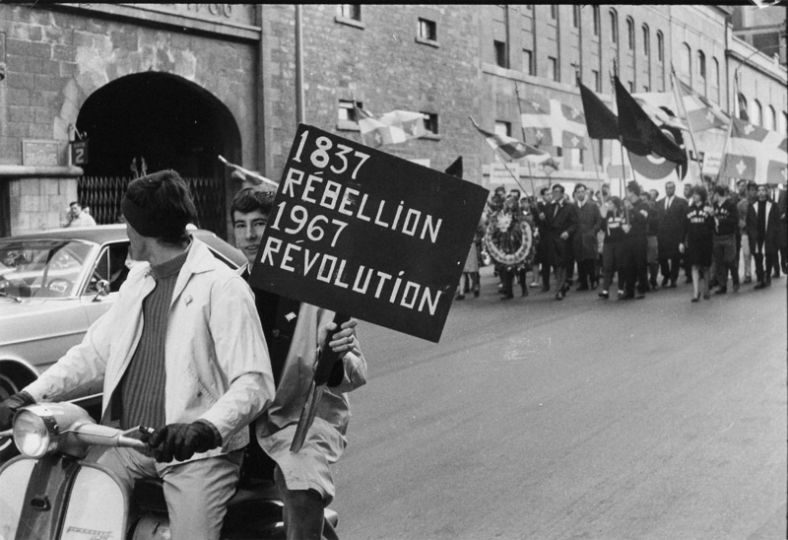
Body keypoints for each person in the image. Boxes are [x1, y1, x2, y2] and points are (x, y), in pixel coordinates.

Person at [0, 170, 275, 540]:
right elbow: (94, 353)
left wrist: (205, 428)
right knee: (73, 521)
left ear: (146, 228)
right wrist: (29, 395)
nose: (125, 229)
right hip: (129, 444)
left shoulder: (221, 286)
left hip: (197, 459)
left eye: (128, 221)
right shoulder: (138, 279)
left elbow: (255, 382)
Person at [230, 188, 367, 540]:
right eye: (240, 225)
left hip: (299, 420)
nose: (249, 236)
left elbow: (355, 371)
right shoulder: (227, 288)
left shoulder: (313, 287)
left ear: (279, 227)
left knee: (301, 482)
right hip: (241, 422)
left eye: (260, 223)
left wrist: (334, 356)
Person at [542, 184, 577, 300]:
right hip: (552, 239)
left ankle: (559, 290)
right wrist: (541, 218)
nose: (555, 194)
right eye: (554, 192)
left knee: (562, 265)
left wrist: (568, 232)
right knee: (556, 265)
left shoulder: (569, 206)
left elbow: (574, 223)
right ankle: (562, 285)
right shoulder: (548, 206)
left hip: (563, 239)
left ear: (562, 193)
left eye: (557, 192)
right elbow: (545, 224)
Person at [746, 184, 781, 289]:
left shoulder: (773, 206)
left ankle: (768, 276)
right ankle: (760, 279)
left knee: (769, 257)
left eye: (763, 190)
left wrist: (774, 233)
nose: (761, 192)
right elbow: (749, 222)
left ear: (767, 192)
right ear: (757, 192)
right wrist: (752, 234)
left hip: (769, 235)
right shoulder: (752, 206)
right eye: (759, 190)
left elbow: (776, 222)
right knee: (758, 257)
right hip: (757, 236)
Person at [683, 185, 715, 302]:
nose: (694, 196)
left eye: (697, 194)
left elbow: (712, 226)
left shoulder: (707, 209)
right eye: (694, 194)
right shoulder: (689, 209)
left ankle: (706, 290)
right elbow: (684, 227)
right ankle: (696, 292)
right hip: (693, 242)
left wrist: (711, 215)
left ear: (702, 195)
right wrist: (682, 242)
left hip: (706, 242)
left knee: (706, 267)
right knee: (694, 266)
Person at [656, 181, 688, 288]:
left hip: (675, 234)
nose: (669, 190)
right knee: (662, 257)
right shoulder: (659, 202)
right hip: (662, 235)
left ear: (674, 189)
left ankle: (674, 278)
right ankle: (666, 275)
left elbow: (684, 219)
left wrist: (682, 236)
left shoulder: (682, 202)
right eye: (667, 188)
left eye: (671, 188)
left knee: (675, 257)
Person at [620, 181, 649, 300]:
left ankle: (642, 288)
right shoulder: (625, 205)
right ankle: (629, 290)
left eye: (628, 191)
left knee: (640, 264)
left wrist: (632, 209)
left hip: (639, 238)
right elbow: (622, 219)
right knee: (628, 265)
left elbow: (643, 219)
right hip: (628, 238)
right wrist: (623, 225)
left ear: (632, 192)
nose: (626, 194)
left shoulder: (643, 205)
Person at [572, 183, 601, 291]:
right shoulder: (573, 206)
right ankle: (583, 283)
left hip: (590, 236)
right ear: (575, 194)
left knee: (591, 260)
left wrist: (593, 231)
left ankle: (593, 280)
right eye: (578, 192)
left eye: (582, 191)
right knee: (580, 261)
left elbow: (598, 221)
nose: (580, 194)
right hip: (578, 237)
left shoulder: (592, 205)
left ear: (586, 192)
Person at [711, 185, 739, 294]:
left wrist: (720, 221)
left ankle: (735, 280)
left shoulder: (731, 205)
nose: (713, 197)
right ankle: (722, 285)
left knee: (730, 260)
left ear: (717, 194)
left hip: (728, 236)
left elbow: (734, 220)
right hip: (717, 237)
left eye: (714, 194)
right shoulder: (713, 206)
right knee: (719, 262)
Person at [599, 196, 626, 299]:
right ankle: (605, 290)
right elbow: (603, 228)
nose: (608, 205)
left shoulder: (622, 213)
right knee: (607, 266)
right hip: (608, 243)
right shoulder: (607, 214)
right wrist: (603, 217)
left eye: (610, 203)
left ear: (615, 204)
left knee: (620, 266)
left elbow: (625, 227)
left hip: (620, 242)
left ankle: (621, 289)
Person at [736, 180, 755, 284]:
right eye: (750, 190)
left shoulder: (758, 203)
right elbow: (737, 217)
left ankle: (759, 271)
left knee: (757, 253)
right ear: (747, 191)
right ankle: (748, 273)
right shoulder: (741, 204)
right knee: (746, 253)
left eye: (754, 190)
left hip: (756, 232)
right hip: (745, 232)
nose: (752, 192)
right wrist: (741, 223)